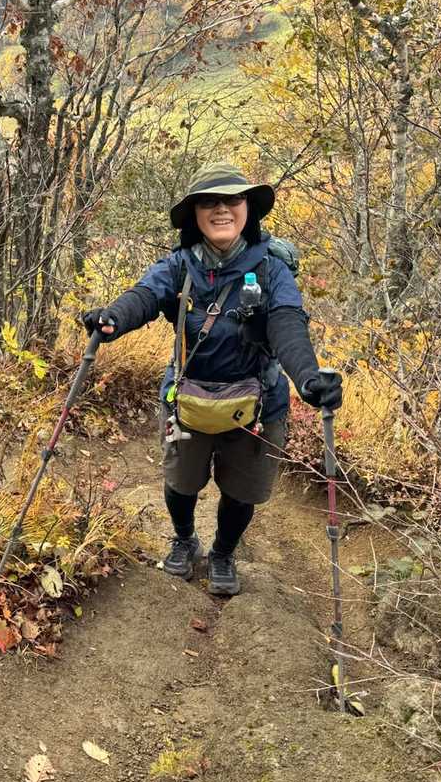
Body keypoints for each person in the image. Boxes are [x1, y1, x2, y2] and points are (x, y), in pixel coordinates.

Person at [82, 163, 342, 597]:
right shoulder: (179, 266)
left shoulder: (273, 270)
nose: (221, 209)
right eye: (208, 202)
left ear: (248, 208)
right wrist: (112, 319)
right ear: (195, 215)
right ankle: (185, 539)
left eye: (232, 199)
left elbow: (286, 323)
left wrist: (308, 378)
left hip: (259, 404)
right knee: (181, 481)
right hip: (187, 398)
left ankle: (223, 553)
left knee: (242, 491)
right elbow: (143, 297)